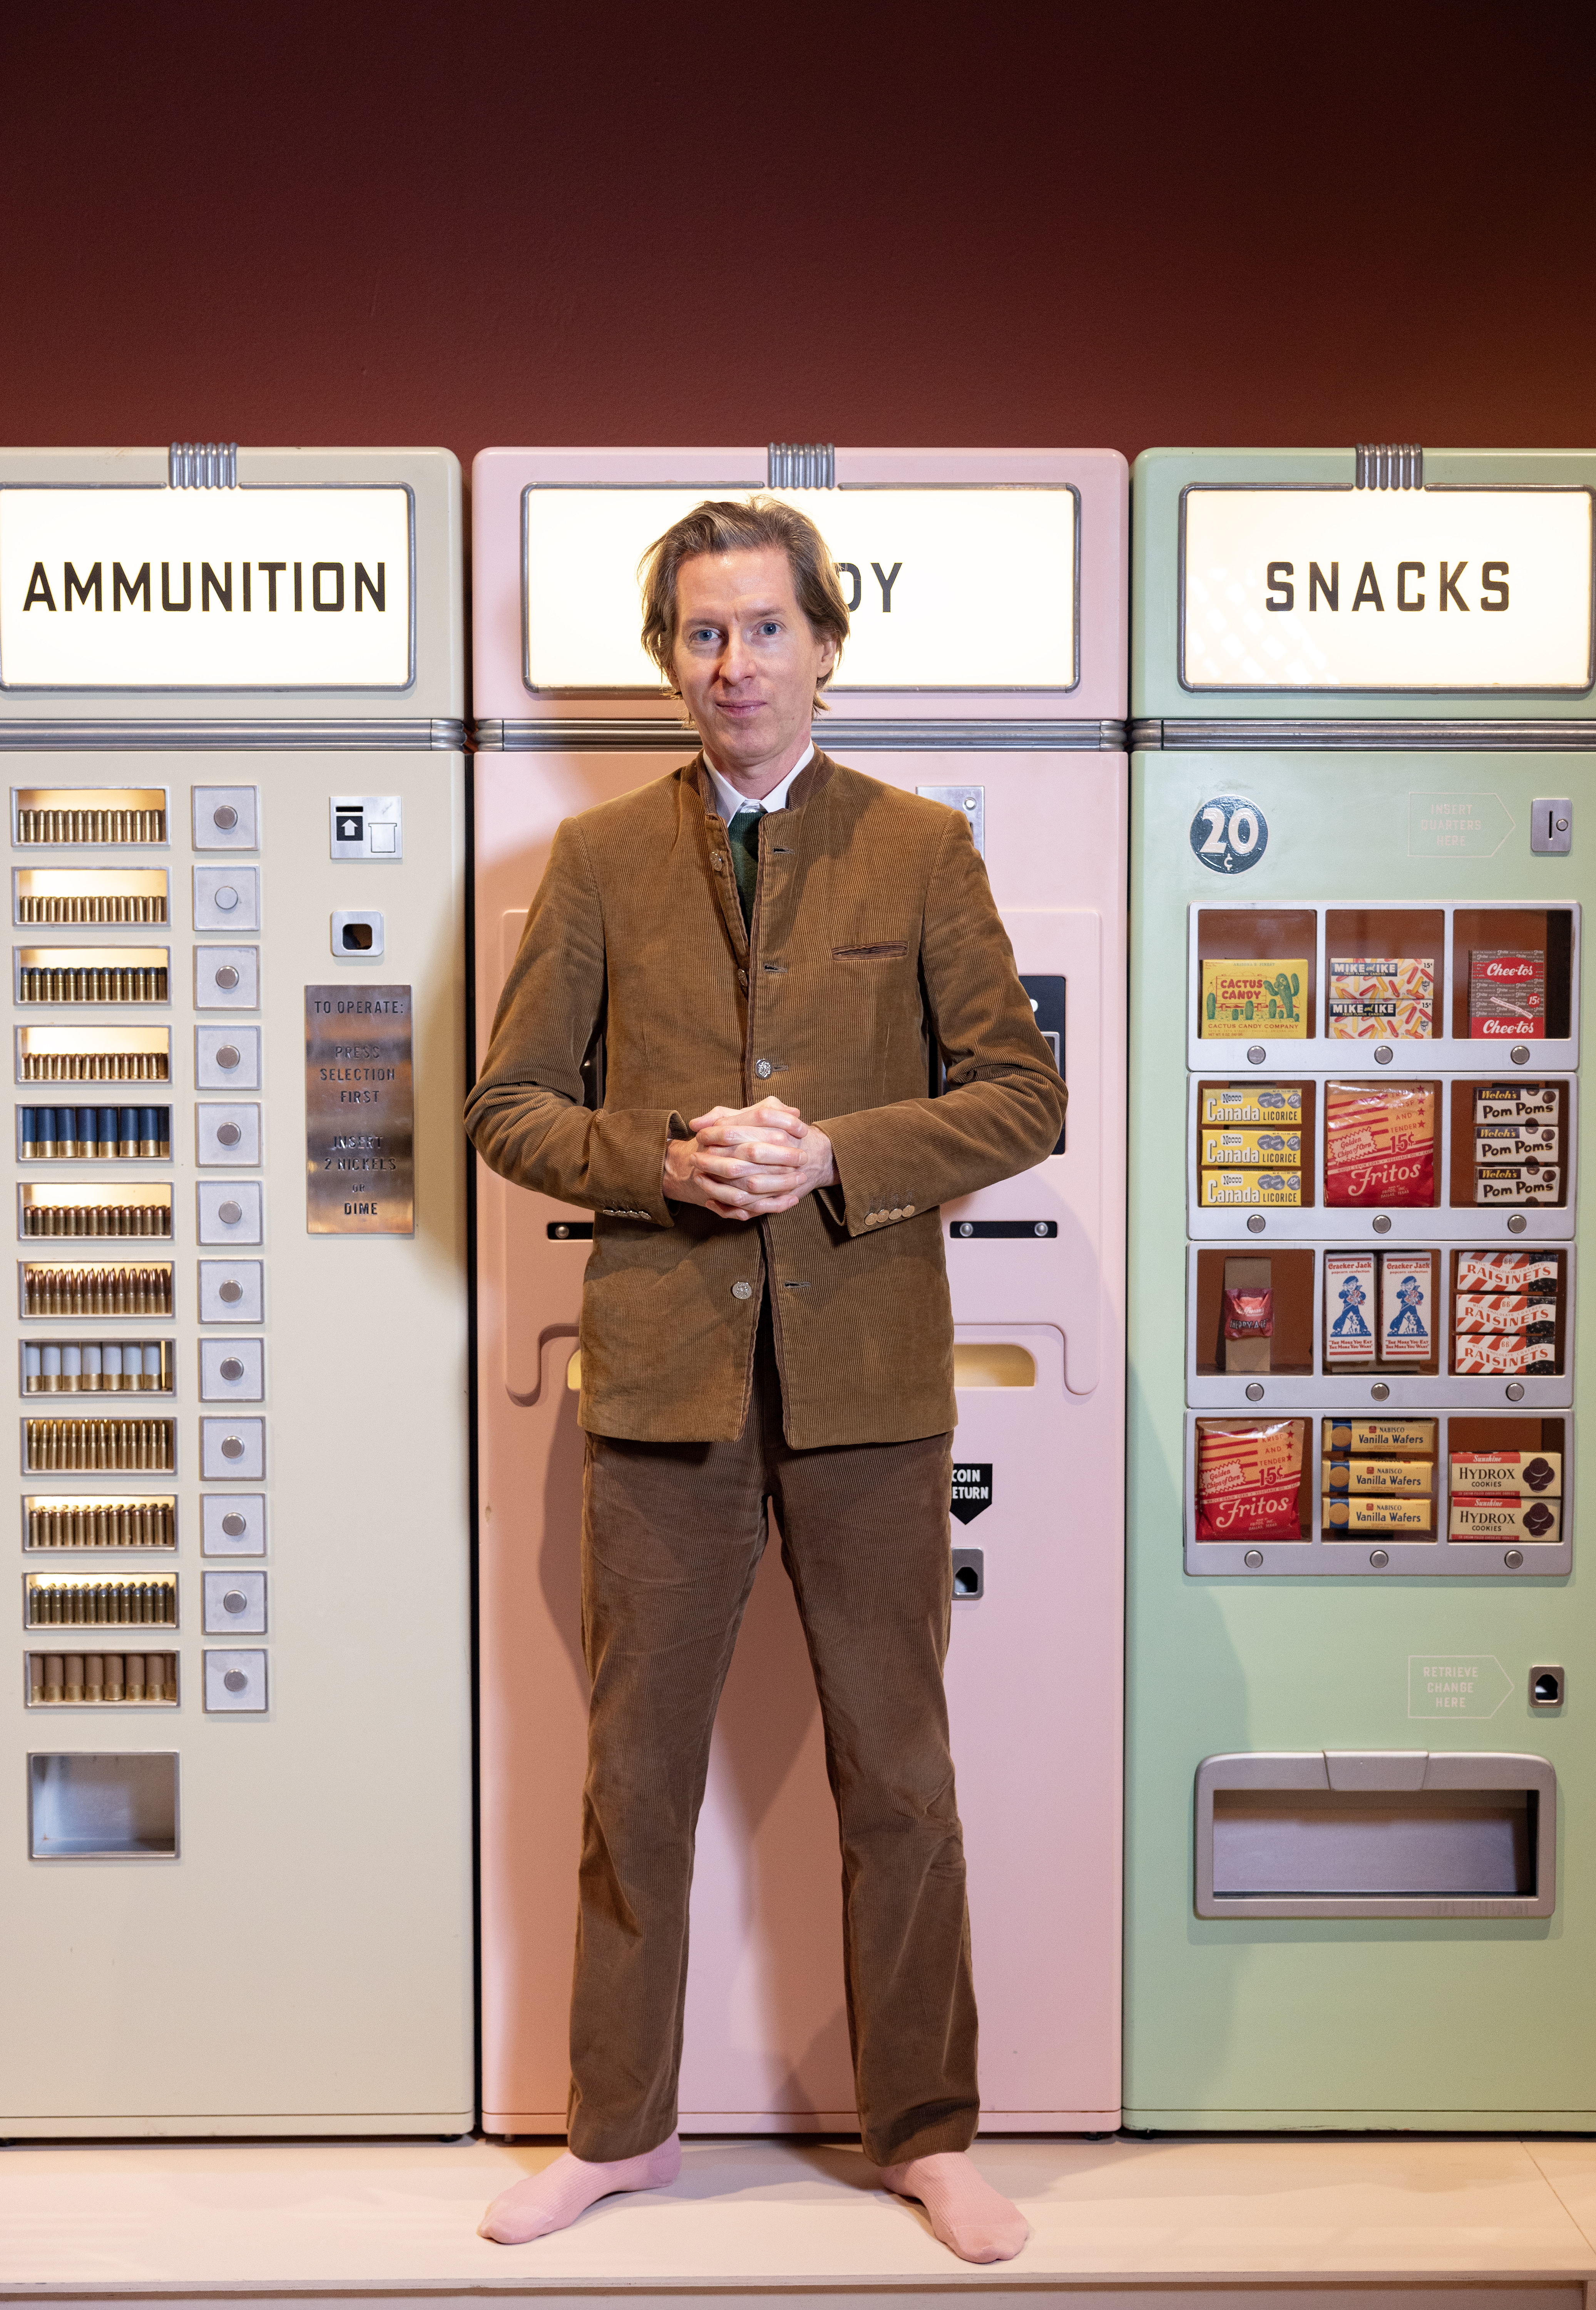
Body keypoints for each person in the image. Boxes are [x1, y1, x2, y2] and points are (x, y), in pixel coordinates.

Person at [465, 495, 1065, 2262]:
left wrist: (836, 1158)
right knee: (630, 1772)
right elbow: (508, 1109)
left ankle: (925, 2133)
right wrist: (664, 1161)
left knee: (899, 1770)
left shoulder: (921, 847)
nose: (735, 666)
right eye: (702, 636)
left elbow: (1018, 1098)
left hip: (871, 1379)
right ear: (667, 659)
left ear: (826, 640)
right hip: (658, 1380)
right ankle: (616, 2132)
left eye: (765, 629)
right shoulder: (589, 866)